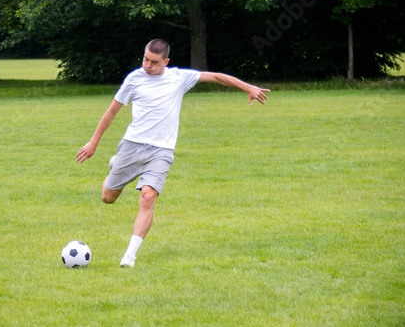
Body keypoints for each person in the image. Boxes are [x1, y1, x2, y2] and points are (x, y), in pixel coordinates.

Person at [76, 39, 269, 267]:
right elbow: (111, 112)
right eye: (145, 59)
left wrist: (247, 87)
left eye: (154, 62)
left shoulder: (179, 77)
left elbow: (216, 77)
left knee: (148, 196)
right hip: (132, 145)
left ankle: (129, 256)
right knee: (108, 198)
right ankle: (115, 166)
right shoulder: (134, 79)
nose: (148, 65)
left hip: (162, 150)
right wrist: (93, 142)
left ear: (166, 61)